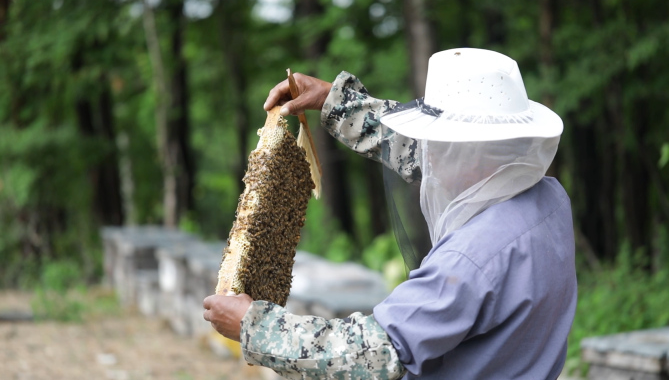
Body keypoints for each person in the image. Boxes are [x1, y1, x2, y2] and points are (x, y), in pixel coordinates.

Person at [203, 48, 577, 379]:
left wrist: (254, 326)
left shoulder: (467, 262)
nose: (431, 154)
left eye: (439, 142)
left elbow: (376, 353)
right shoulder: (549, 200)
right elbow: (429, 155)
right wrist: (338, 103)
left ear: (466, 150)